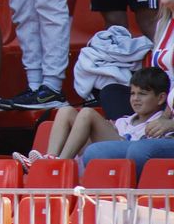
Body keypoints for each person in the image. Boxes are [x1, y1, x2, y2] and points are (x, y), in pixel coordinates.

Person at [80, 0, 174, 176]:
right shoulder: (164, 25)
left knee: (138, 150)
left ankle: (137, 202)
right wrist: (165, 117)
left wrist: (168, 122)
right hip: (164, 114)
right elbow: (168, 85)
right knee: (109, 94)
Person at [15, 67, 170, 167]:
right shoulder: (124, 120)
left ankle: (60, 165)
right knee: (66, 111)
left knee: (87, 113)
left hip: (120, 164)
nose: (135, 99)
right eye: (132, 93)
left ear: (161, 98)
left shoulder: (159, 124)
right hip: (96, 158)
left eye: (142, 94)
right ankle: (49, 160)